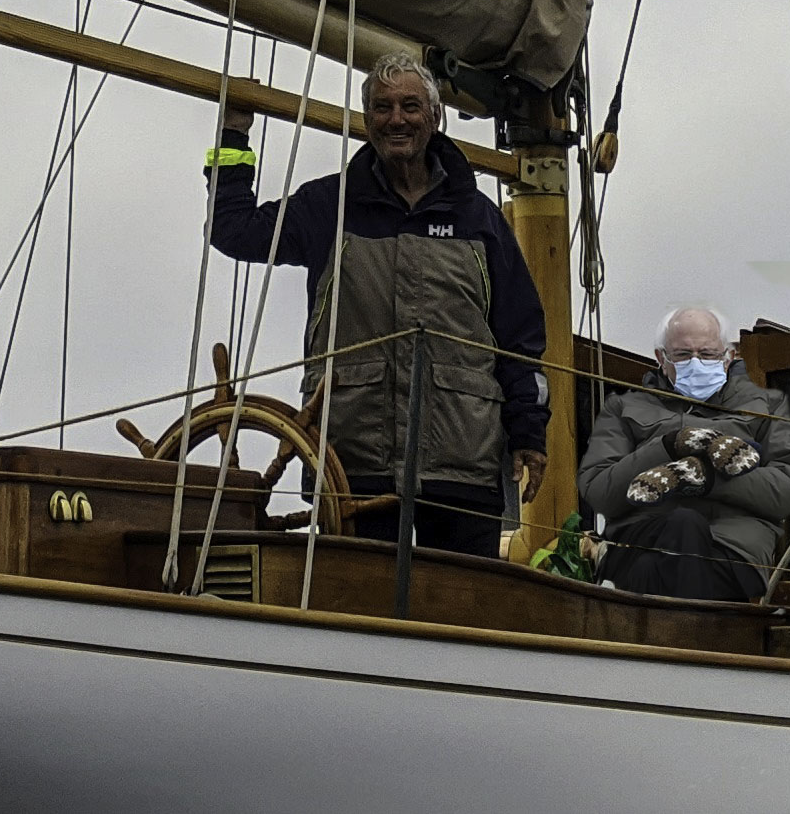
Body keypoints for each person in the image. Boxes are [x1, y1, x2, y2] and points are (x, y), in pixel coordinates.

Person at [206, 52, 550, 558]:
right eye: (383, 107)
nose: (397, 119)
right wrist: (234, 136)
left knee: (462, 613)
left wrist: (529, 434)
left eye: (411, 106)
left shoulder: (480, 221)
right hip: (352, 463)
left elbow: (519, 342)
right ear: (367, 121)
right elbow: (232, 230)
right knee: (357, 606)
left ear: (434, 118)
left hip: (463, 464)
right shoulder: (328, 207)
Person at [577, 306, 790, 601]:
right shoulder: (622, 409)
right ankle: (691, 638)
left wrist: (707, 480)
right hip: (642, 539)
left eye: (707, 354)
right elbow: (598, 490)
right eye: (683, 355)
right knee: (679, 529)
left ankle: (660, 639)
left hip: (731, 553)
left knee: (676, 540)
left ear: (728, 358)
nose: (696, 363)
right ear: (662, 359)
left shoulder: (766, 407)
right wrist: (668, 446)